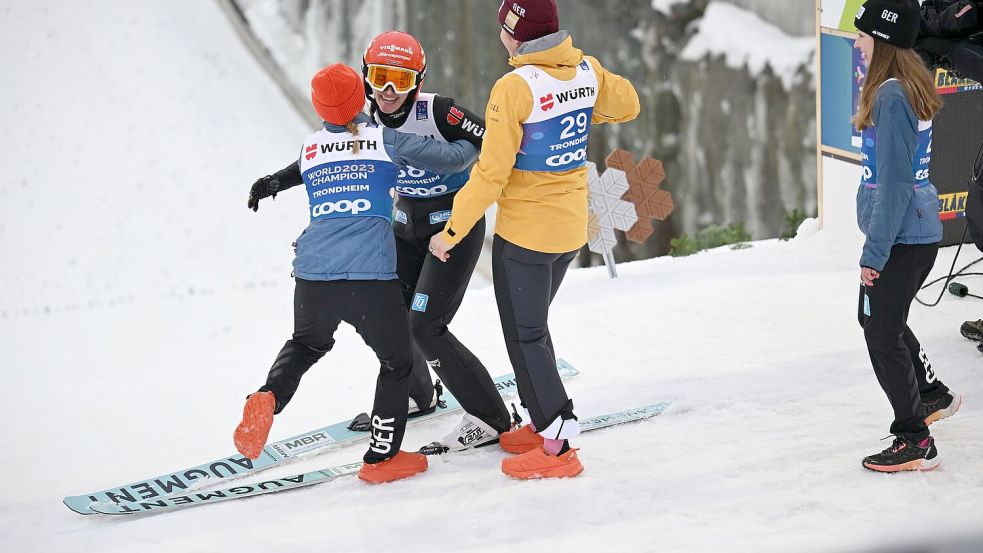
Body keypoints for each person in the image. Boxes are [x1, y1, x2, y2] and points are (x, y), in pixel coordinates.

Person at [257, 31, 515, 453]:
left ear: (418, 79)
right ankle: (418, 395)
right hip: (404, 225)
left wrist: (464, 163)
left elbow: (485, 139)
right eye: (380, 78)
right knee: (389, 313)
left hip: (452, 227)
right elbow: (325, 154)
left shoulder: (439, 111)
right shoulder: (363, 121)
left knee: (426, 326)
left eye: (401, 79)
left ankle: (490, 417)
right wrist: (277, 181)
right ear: (366, 79)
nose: (390, 91)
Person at [234, 63, 479, 483]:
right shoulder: (386, 138)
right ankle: (382, 458)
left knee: (306, 344)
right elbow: (452, 158)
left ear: (319, 109)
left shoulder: (311, 148)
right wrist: (477, 143)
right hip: (368, 278)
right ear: (362, 96)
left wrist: (273, 181)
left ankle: (268, 397)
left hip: (313, 276)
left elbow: (299, 170)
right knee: (397, 361)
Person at [429, 0, 640, 479]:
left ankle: (559, 440)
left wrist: (452, 231)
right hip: (569, 233)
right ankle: (540, 421)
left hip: (524, 237)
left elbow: (491, 172)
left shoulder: (514, 87)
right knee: (530, 332)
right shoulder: (586, 71)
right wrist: (582, 93)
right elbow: (628, 103)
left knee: (526, 337)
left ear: (513, 34)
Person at [852, 0, 962, 473]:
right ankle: (932, 393)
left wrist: (873, 254)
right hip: (910, 232)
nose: (857, 43)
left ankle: (915, 439)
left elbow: (895, 185)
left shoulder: (892, 95)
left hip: (903, 235)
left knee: (880, 330)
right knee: (879, 321)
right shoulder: (901, 85)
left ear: (882, 41)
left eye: (862, 35)